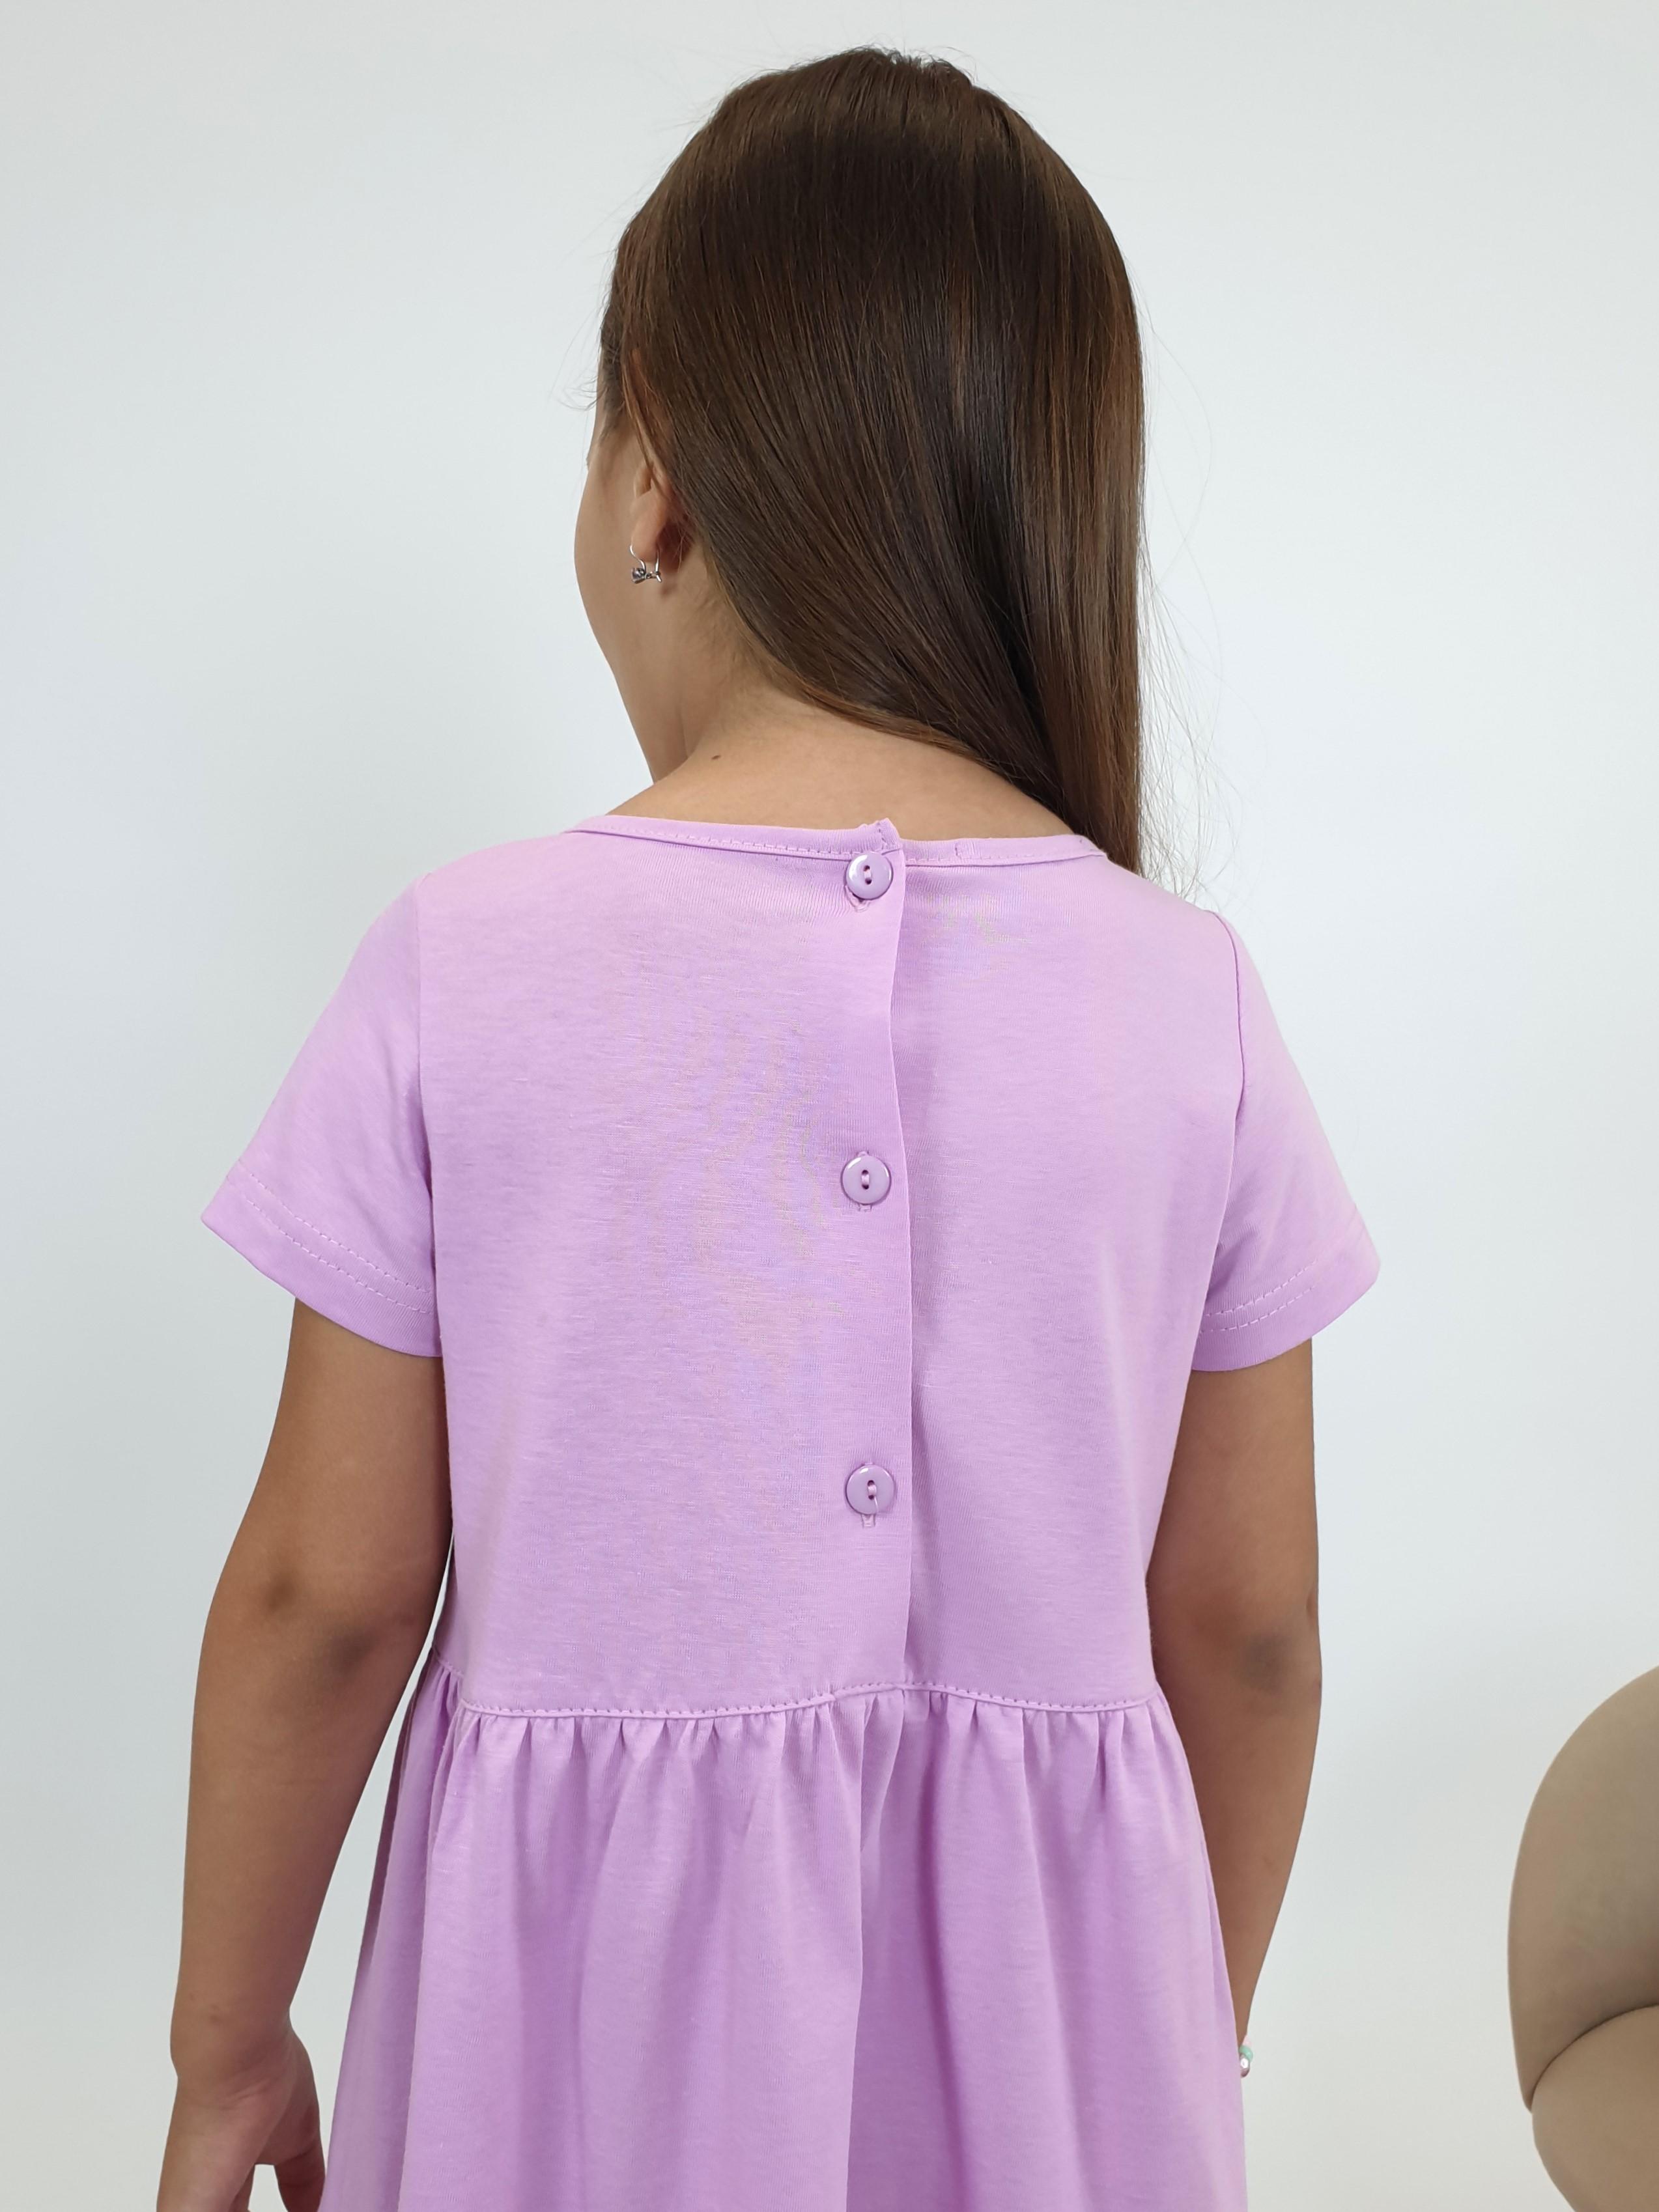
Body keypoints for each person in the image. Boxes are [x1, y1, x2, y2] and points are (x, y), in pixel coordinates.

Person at [158, 44, 1380, 2212]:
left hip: (564, 2051)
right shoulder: (1186, 998)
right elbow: (1252, 1628)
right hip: (1053, 2075)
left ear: (655, 482)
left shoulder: (463, 961)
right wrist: (1163, 2027)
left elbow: (323, 1598)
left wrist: (225, 2045)